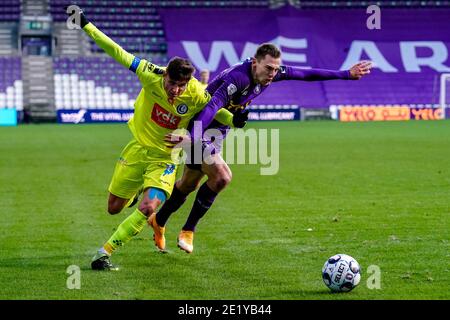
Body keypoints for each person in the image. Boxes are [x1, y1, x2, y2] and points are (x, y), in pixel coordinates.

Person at [150, 43, 372, 254]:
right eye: (269, 68)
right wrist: (193, 136)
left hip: (217, 133)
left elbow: (305, 74)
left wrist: (345, 74)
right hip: (201, 128)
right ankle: (188, 230)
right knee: (222, 177)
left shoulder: (269, 73)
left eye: (276, 69)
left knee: (188, 184)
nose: (273, 73)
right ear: (255, 62)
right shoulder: (238, 77)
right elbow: (213, 105)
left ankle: (158, 221)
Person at [67, 7, 241, 270]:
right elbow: (117, 51)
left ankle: (105, 252)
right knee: (114, 208)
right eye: (172, 84)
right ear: (165, 75)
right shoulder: (150, 74)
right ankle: (137, 191)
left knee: (149, 207)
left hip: (165, 158)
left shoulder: (194, 92)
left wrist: (235, 119)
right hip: (137, 150)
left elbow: (216, 109)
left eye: (181, 86)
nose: (176, 90)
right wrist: (85, 24)